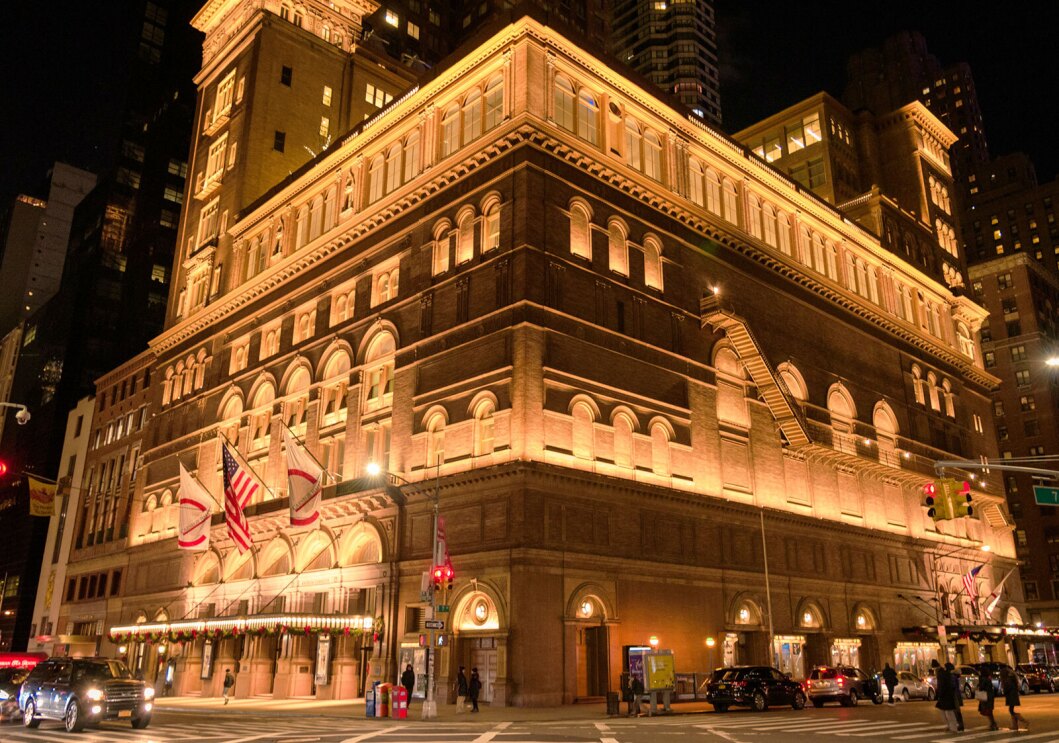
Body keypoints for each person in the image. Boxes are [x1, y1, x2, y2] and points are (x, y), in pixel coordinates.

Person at [1000, 667, 1028, 731]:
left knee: (1011, 711)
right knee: (1011, 710)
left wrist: (1004, 690)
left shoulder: (1008, 680)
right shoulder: (1011, 679)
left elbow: (1007, 689)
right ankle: (1015, 725)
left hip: (1011, 697)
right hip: (1013, 696)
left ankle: (1024, 721)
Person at [933, 661, 958, 733]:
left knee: (949, 713)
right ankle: (951, 727)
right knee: (946, 712)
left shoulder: (942, 674)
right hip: (946, 695)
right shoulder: (944, 674)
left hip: (946, 696)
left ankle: (953, 728)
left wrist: (940, 694)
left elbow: (942, 685)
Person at [946, 663, 964, 731]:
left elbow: (952, 686)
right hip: (956, 694)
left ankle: (960, 725)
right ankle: (960, 725)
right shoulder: (954, 676)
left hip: (954, 695)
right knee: (956, 711)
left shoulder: (952, 676)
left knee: (956, 711)